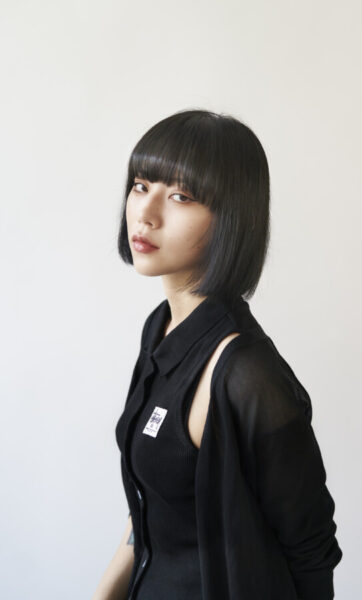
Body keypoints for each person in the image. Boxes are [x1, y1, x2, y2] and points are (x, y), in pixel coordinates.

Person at [92, 109, 343, 600]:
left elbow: (311, 549)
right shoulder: (160, 329)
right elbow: (149, 510)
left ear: (231, 218)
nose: (146, 213)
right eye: (141, 185)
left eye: (181, 196)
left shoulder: (246, 374)